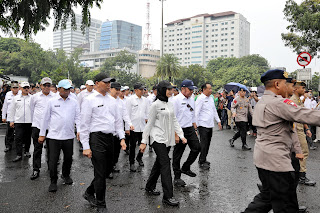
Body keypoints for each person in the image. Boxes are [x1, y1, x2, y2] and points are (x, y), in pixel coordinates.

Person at [243, 69, 320, 213]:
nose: (288, 87)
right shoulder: (279, 103)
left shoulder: (262, 101)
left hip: (262, 158)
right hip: (276, 162)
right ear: (277, 84)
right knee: (285, 205)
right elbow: (305, 114)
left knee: (268, 197)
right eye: (286, 83)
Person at [80, 73, 126, 213]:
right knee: (100, 172)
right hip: (96, 138)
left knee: (107, 170)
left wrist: (122, 138)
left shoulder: (112, 100)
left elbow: (118, 121)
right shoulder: (89, 100)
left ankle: (89, 191)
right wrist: (86, 146)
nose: (108, 84)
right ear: (97, 83)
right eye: (105, 82)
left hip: (110, 138)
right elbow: (84, 125)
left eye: (109, 82)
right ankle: (101, 205)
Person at [140, 80, 186, 206]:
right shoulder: (155, 105)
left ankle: (150, 186)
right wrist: (144, 141)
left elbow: (175, 120)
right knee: (165, 164)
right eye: (169, 89)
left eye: (172, 89)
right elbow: (149, 124)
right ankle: (168, 196)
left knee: (159, 163)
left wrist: (181, 135)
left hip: (167, 138)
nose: (172, 91)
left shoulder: (170, 104)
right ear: (162, 90)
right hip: (157, 138)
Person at [39, 79, 80, 192]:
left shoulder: (74, 101)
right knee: (53, 160)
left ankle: (65, 175)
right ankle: (53, 181)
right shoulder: (52, 101)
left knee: (68, 158)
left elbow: (78, 118)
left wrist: (79, 131)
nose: (67, 91)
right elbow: (45, 119)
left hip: (68, 136)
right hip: (54, 137)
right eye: (65, 89)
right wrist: (42, 134)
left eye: (69, 89)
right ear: (59, 89)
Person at [172, 79, 201, 187]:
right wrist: (175, 134)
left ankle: (185, 167)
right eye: (190, 89)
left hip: (189, 128)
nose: (192, 92)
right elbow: (172, 117)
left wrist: (195, 128)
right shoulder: (176, 100)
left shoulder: (192, 99)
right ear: (183, 89)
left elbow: (192, 114)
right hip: (179, 130)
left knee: (197, 148)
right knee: (178, 154)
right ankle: (177, 177)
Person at [290, 81, 316, 186]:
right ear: (296, 89)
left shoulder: (299, 101)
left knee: (299, 153)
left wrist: (307, 129)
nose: (304, 90)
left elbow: (302, 116)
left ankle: (297, 175)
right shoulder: (292, 101)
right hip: (296, 129)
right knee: (303, 152)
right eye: (302, 88)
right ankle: (301, 176)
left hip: (300, 128)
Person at [30, 77, 55, 180]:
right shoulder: (35, 97)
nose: (46, 87)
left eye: (48, 85)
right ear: (40, 86)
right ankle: (36, 169)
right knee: (37, 149)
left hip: (50, 127)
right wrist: (35, 123)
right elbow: (32, 110)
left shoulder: (54, 97)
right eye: (44, 85)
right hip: (38, 126)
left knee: (51, 149)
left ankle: (51, 169)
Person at [108, 82, 133, 178]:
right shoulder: (107, 100)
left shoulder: (121, 102)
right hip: (108, 130)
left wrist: (129, 124)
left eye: (119, 90)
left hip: (118, 130)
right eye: (116, 89)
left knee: (117, 150)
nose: (118, 92)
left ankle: (113, 165)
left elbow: (125, 114)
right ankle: (108, 169)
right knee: (109, 151)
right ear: (111, 89)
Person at [195, 83, 222, 169]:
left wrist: (218, 121)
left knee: (208, 143)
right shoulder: (200, 99)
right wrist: (196, 127)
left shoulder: (211, 98)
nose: (211, 90)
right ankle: (202, 161)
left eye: (211, 89)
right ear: (204, 89)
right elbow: (196, 113)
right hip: (202, 125)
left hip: (210, 124)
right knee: (203, 144)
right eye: (209, 89)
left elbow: (214, 110)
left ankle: (203, 158)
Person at [126, 83, 149, 172]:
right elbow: (127, 114)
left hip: (143, 127)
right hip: (133, 127)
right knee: (132, 146)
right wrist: (127, 128)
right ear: (136, 90)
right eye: (141, 89)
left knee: (144, 144)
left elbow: (147, 113)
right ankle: (132, 163)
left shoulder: (145, 100)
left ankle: (139, 157)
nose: (143, 91)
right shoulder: (130, 100)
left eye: (143, 89)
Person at [8, 82, 32, 162]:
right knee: (18, 138)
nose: (26, 89)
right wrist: (11, 120)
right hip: (19, 121)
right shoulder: (16, 98)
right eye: (24, 87)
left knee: (28, 137)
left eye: (27, 87)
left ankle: (26, 151)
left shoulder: (32, 98)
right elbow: (12, 110)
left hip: (29, 121)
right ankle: (18, 154)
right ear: (21, 88)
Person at [2, 81, 20, 152]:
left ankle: (19, 146)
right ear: (11, 88)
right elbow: (5, 106)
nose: (15, 89)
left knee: (19, 133)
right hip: (10, 116)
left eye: (16, 88)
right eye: (14, 88)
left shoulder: (21, 94)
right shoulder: (8, 94)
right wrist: (3, 116)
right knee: (9, 132)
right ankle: (8, 146)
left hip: (18, 117)